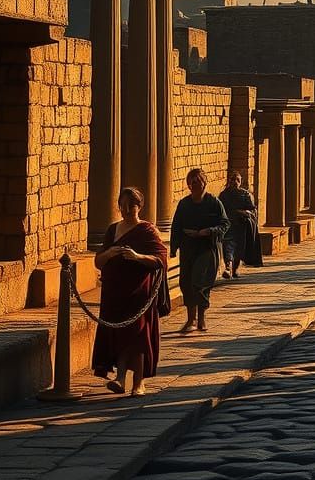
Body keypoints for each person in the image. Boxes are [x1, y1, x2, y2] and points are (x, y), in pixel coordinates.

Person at [92, 187, 168, 396]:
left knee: (138, 335)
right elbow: (98, 262)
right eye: (123, 206)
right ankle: (120, 378)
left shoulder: (148, 230)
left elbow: (161, 259)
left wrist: (137, 257)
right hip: (114, 292)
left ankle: (138, 382)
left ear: (139, 206)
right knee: (120, 334)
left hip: (139, 292)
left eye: (131, 206)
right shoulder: (112, 230)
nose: (126, 210)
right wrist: (110, 253)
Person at [170, 168, 229, 333]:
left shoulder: (214, 203)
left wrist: (209, 231)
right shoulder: (184, 204)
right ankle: (191, 319)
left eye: (198, 182)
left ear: (205, 183)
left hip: (207, 248)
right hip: (188, 247)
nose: (196, 185)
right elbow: (176, 226)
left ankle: (201, 318)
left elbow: (225, 224)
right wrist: (174, 247)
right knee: (186, 283)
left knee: (200, 282)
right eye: (192, 182)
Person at [218, 171, 263, 279]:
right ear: (229, 181)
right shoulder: (224, 195)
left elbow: (252, 209)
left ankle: (235, 269)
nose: (235, 182)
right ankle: (228, 267)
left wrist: (245, 213)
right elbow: (220, 209)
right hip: (228, 225)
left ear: (240, 182)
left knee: (239, 248)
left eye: (237, 180)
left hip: (241, 226)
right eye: (233, 179)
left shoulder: (245, 194)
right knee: (228, 246)